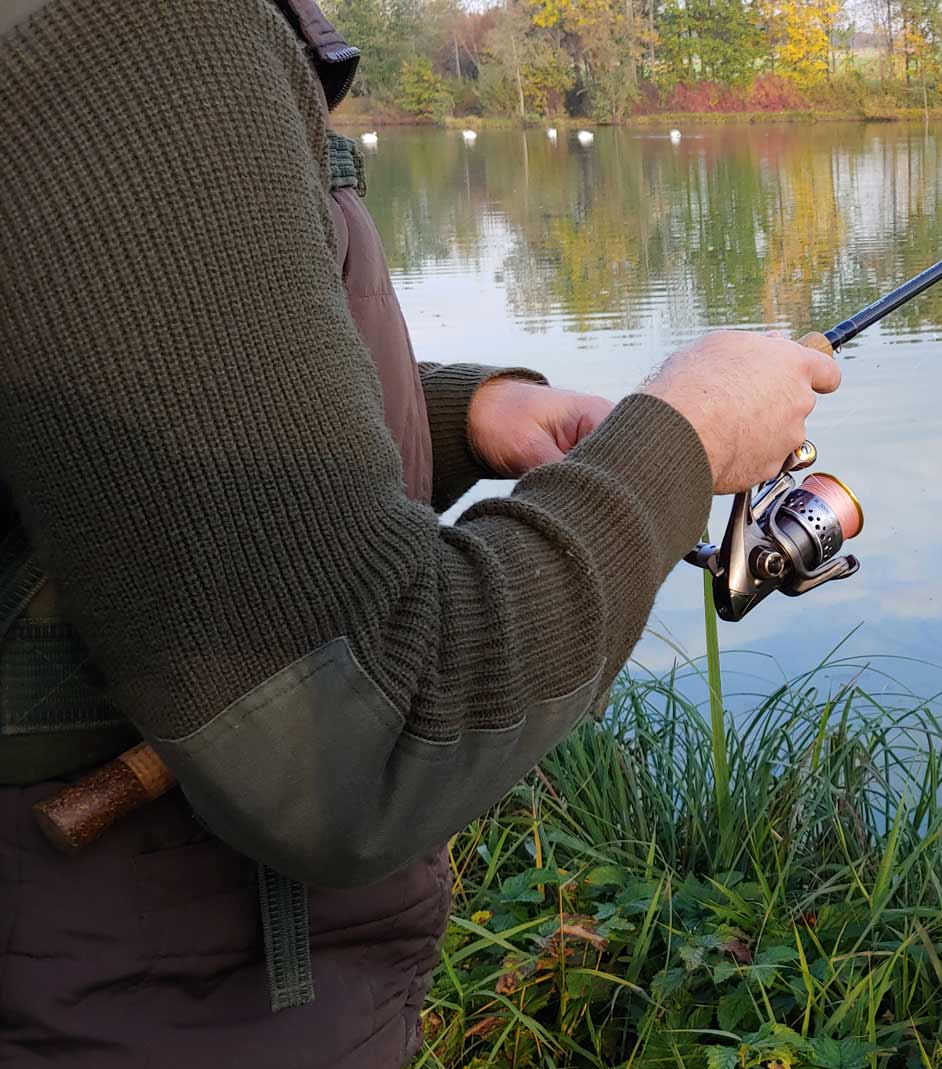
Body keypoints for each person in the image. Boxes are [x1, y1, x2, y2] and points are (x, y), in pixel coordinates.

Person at [0, 0, 841, 1063]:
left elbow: (104, 405)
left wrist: (458, 419)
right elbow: (358, 736)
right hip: (147, 997)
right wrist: (681, 440)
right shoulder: (144, 30)